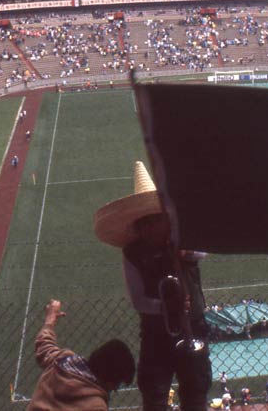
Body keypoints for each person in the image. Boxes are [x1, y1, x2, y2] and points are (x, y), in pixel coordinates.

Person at [94, 162, 212, 411]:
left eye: (155, 220)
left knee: (196, 391)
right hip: (156, 335)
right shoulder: (133, 253)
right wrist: (169, 307)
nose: (149, 227)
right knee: (154, 393)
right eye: (144, 223)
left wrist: (188, 249)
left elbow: (204, 250)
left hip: (193, 326)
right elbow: (139, 301)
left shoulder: (181, 241)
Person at [28, 299, 135, 411]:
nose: (114, 389)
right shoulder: (96, 406)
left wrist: (50, 320)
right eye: (116, 386)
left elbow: (44, 344)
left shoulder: (61, 360)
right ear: (110, 381)